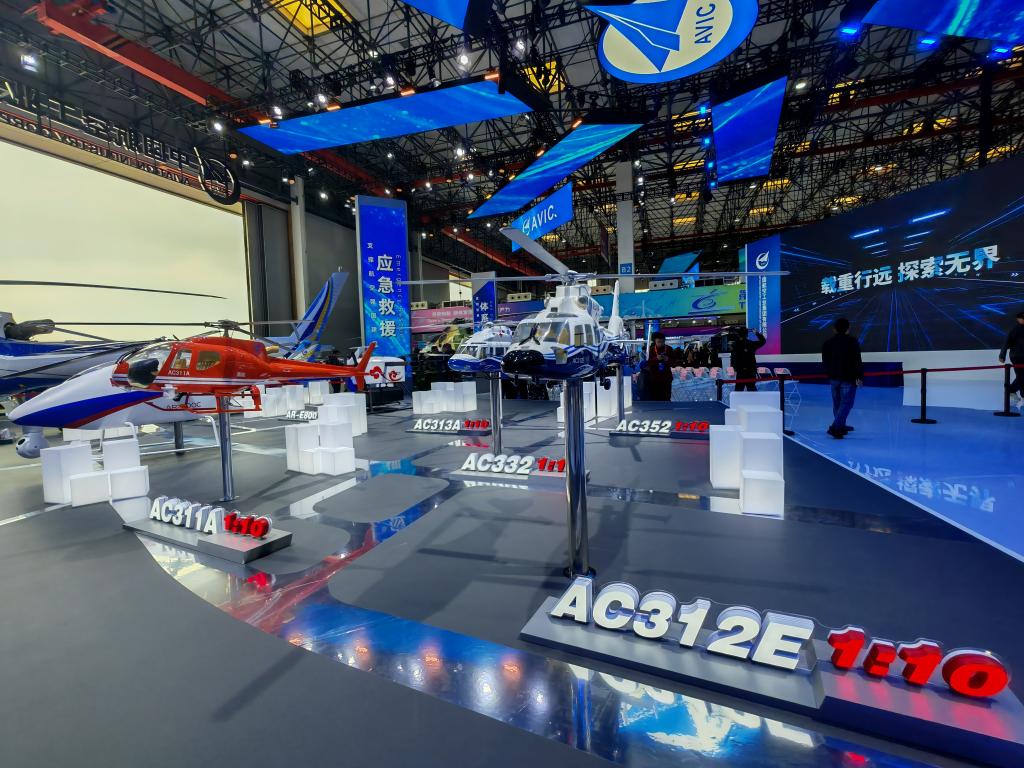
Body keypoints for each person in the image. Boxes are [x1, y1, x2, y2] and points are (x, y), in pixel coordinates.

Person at [821, 317, 864, 439]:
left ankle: (840, 425)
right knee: (846, 403)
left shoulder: (828, 343)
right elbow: (857, 360)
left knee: (837, 404)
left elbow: (825, 361)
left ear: (834, 329)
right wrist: (860, 376)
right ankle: (836, 427)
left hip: (834, 378)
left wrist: (829, 374)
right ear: (848, 329)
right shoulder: (852, 342)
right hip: (848, 378)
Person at [999, 311, 1024, 407]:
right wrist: (1002, 355)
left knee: (1021, 376)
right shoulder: (1014, 330)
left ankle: (1011, 390)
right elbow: (1006, 342)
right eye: (1022, 318)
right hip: (1016, 356)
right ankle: (1022, 395)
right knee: (1021, 376)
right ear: (1018, 319)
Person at [731, 327, 766, 392]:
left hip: (740, 371)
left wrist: (734, 367)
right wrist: (756, 333)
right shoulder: (750, 344)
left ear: (738, 334)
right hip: (750, 371)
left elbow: (733, 357)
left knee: (738, 390)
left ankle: (738, 399)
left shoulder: (735, 344)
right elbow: (763, 341)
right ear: (747, 334)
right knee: (751, 389)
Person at [646, 332, 673, 401]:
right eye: (658, 342)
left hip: (666, 378)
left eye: (662, 341)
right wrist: (656, 359)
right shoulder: (651, 350)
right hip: (654, 378)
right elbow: (647, 363)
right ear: (655, 341)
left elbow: (674, 363)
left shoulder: (669, 349)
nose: (661, 343)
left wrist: (668, 359)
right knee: (655, 398)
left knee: (666, 398)